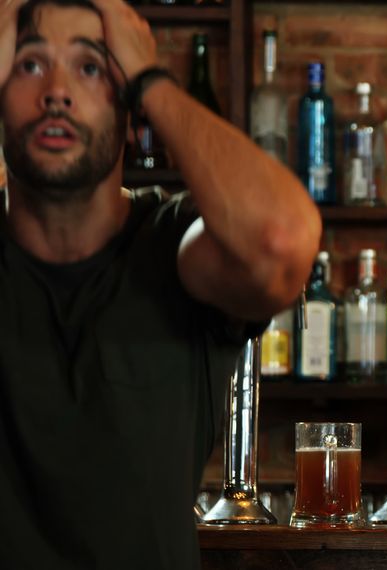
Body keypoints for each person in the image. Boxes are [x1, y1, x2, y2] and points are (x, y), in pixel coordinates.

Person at [0, 0, 321, 567]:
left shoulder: (171, 246)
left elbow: (280, 238)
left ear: (130, 106)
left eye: (91, 66)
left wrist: (151, 78)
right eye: (29, 64)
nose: (57, 91)